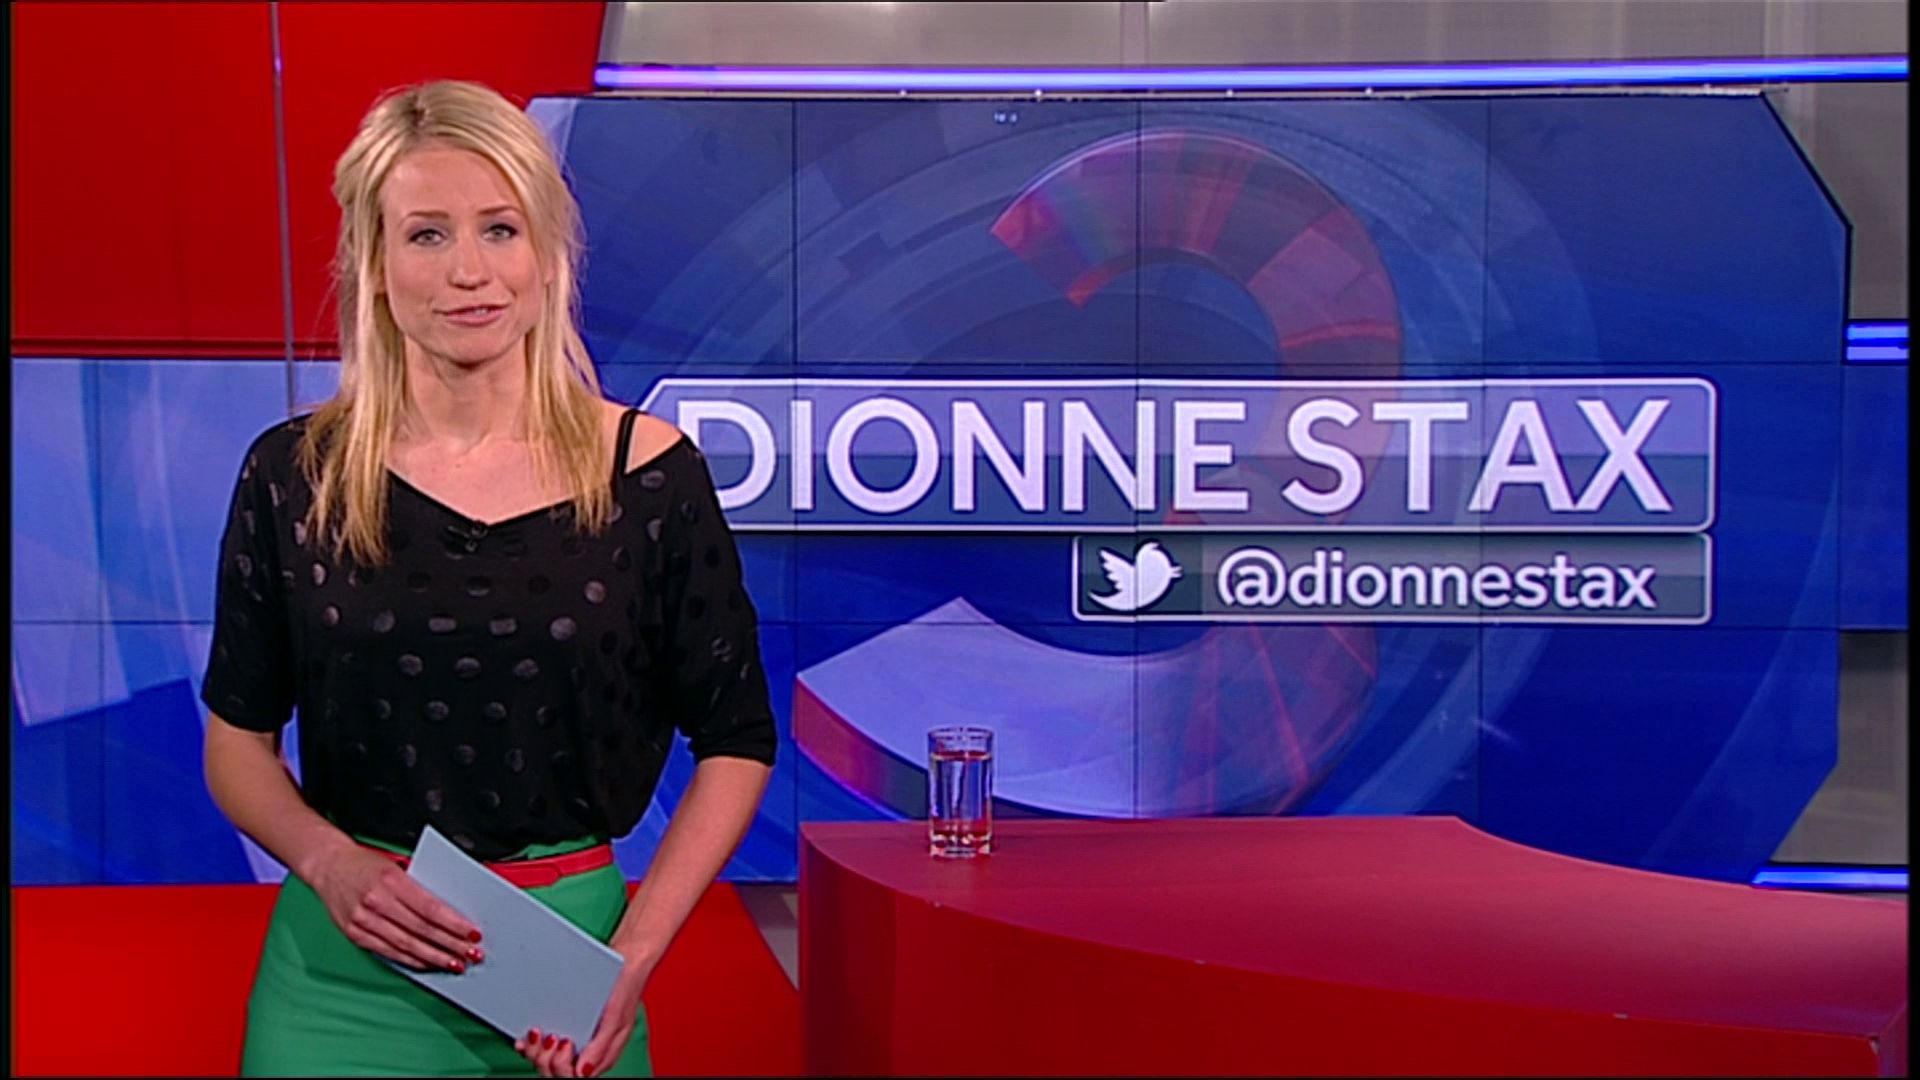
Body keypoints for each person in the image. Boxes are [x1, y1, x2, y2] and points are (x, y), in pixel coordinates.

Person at [201, 78, 776, 1078]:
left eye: (500, 229)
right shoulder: (295, 475)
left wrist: (632, 957)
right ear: (374, 263)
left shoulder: (649, 475)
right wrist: (329, 862)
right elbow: (236, 743)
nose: (469, 271)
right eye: (427, 234)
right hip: (345, 972)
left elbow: (736, 739)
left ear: (548, 254)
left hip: (568, 981)